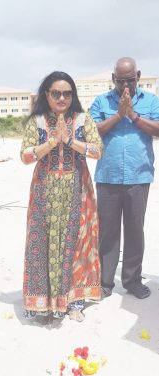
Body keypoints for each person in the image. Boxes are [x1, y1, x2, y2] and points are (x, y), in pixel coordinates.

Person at [21, 71, 103, 322]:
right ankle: (42, 303)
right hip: (44, 189)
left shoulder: (82, 119)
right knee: (42, 242)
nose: (62, 98)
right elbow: (25, 156)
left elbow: (97, 151)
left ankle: (74, 301)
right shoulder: (36, 121)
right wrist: (51, 143)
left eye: (67, 93)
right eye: (56, 93)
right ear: (47, 94)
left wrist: (68, 140)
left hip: (77, 190)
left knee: (76, 243)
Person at [90, 57, 159, 299]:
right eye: (121, 81)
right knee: (107, 231)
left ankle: (132, 281)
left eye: (130, 80)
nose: (126, 86)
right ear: (113, 79)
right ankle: (105, 282)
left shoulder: (151, 100)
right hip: (108, 176)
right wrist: (119, 115)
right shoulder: (101, 101)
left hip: (139, 176)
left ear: (138, 75)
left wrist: (134, 115)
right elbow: (91, 132)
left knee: (134, 230)